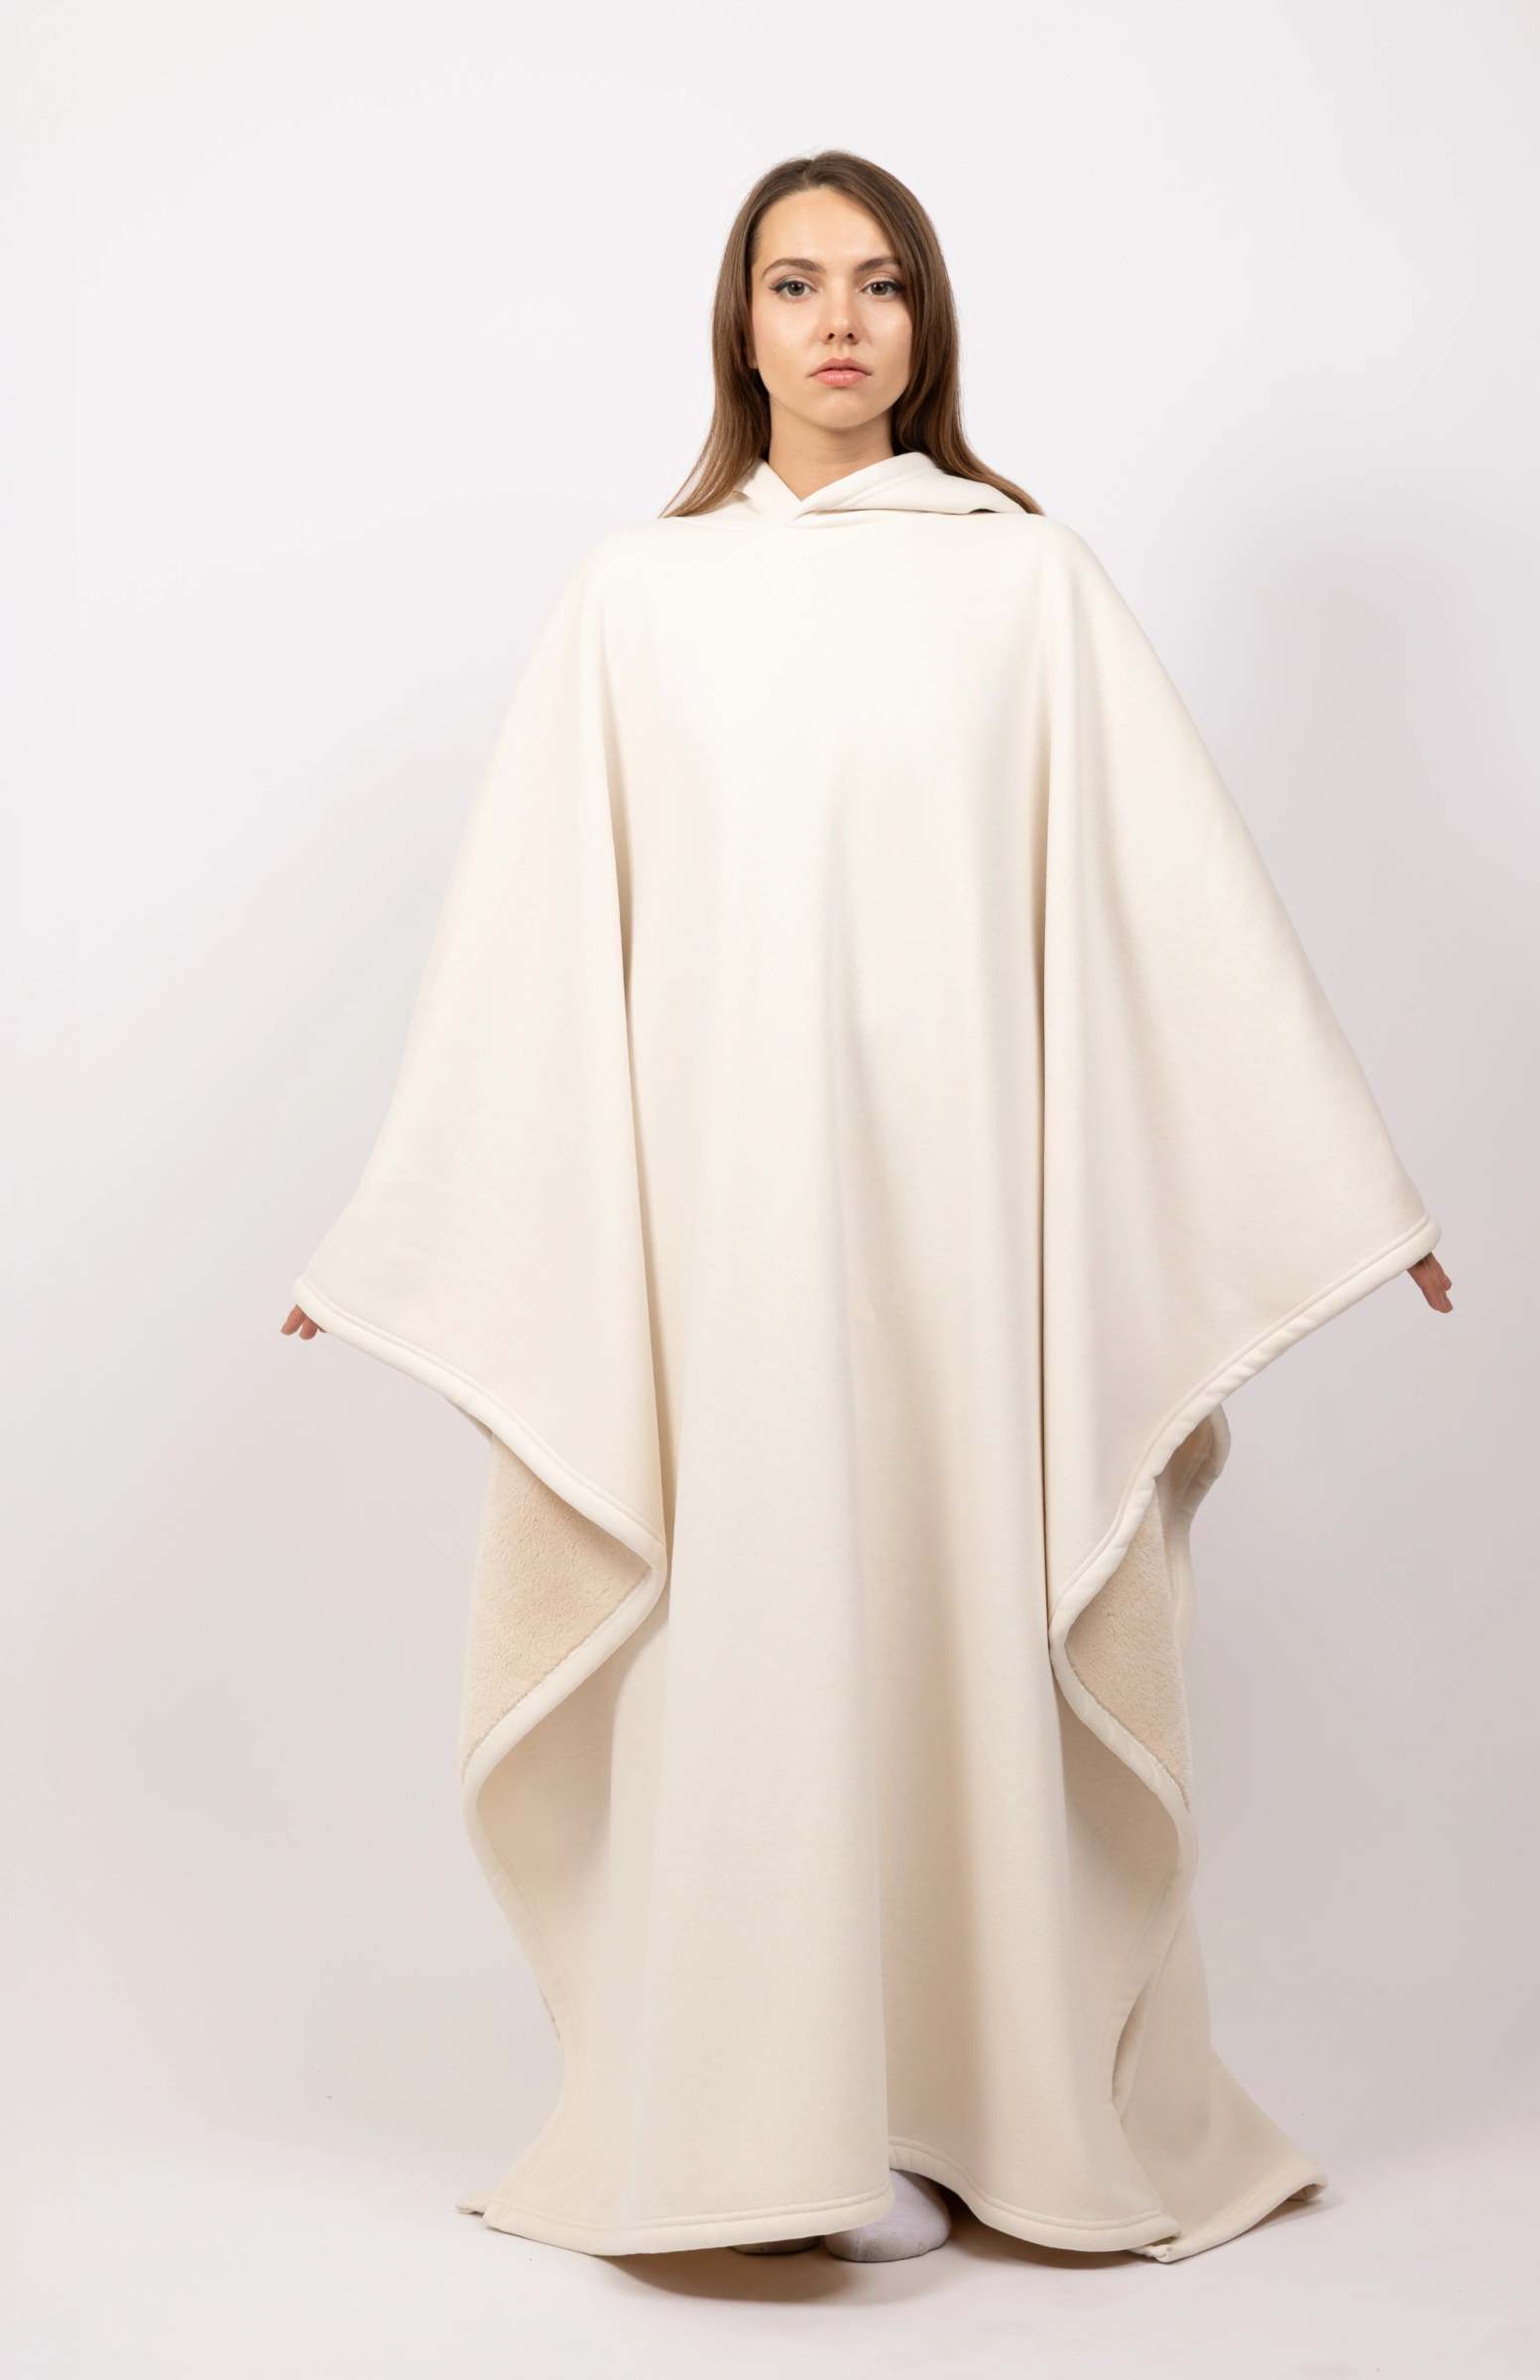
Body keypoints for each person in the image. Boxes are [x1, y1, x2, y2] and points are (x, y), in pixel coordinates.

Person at [284, 148, 1453, 2269]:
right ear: (738, 326)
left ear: (928, 326)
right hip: (728, 1233)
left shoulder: (1029, 589)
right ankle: (759, 2119)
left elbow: (1172, 911)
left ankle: (972, 2107)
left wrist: (1343, 1192)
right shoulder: (639, 601)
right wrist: (415, 1223)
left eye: (882, 282)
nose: (841, 320)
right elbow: (536, 938)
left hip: (961, 1238)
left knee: (953, 1611)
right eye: (797, 282)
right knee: (753, 1621)